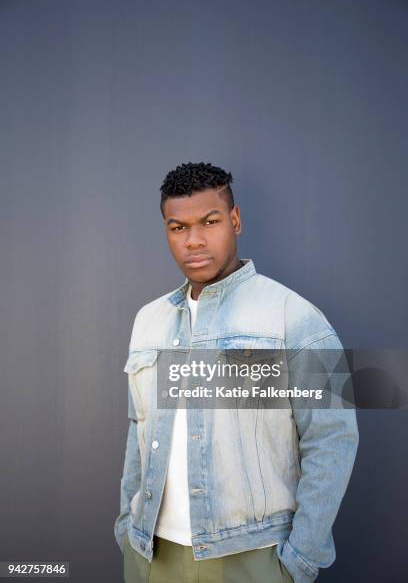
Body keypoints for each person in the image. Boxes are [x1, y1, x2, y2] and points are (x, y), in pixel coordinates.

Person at [114, 162, 359, 583]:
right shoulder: (148, 320)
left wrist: (300, 559)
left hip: (250, 557)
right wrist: (126, 524)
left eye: (209, 222)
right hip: (150, 554)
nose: (194, 241)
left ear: (235, 220)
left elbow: (332, 439)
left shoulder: (294, 317)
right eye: (178, 228)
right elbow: (138, 429)